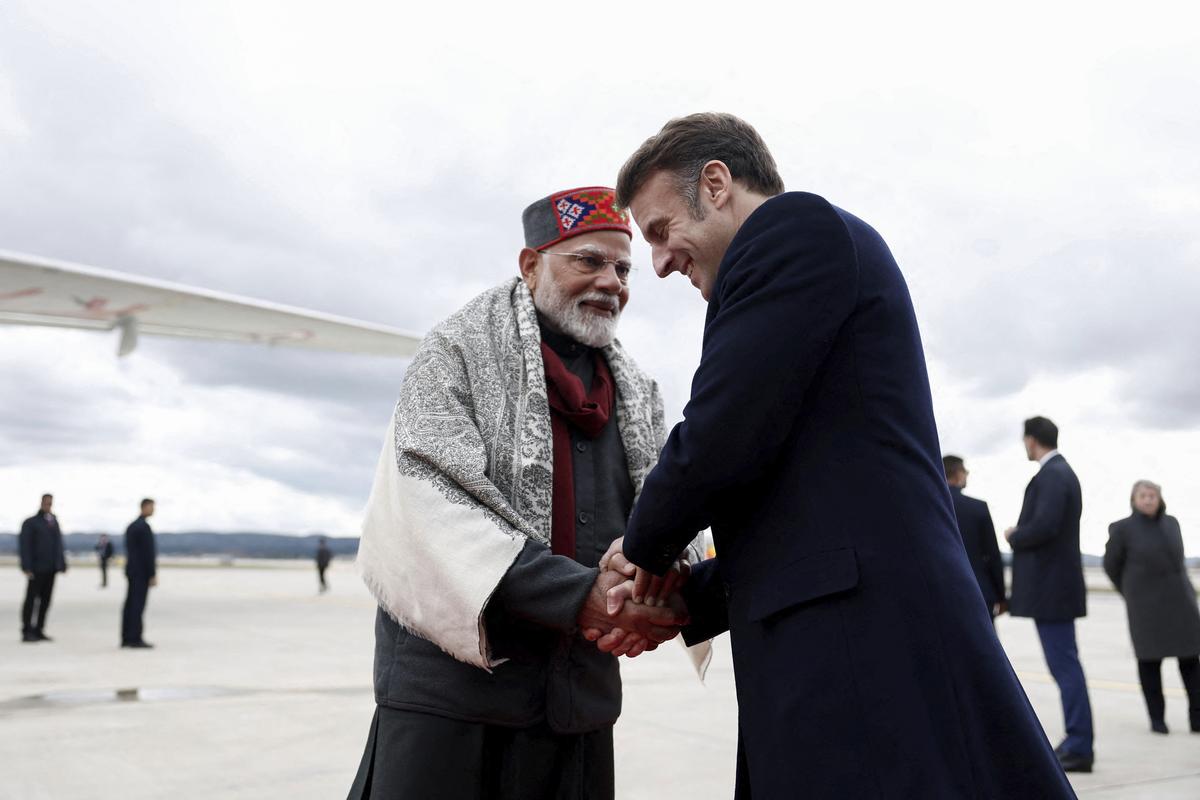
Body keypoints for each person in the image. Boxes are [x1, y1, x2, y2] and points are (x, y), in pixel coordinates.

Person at [600, 113, 1073, 798]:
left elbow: (722, 429)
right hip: (843, 643)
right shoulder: (783, 269)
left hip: (867, 647)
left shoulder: (795, 234)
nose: (661, 263)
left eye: (661, 231)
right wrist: (682, 600)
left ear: (716, 183)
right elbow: (801, 508)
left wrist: (642, 550)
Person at [349, 186, 704, 800]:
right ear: (530, 264)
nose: (611, 282)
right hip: (454, 704)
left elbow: (668, 513)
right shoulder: (453, 354)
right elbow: (432, 509)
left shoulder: (639, 392)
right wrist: (583, 598)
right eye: (588, 261)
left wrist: (658, 589)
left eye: (622, 268)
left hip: (577, 701)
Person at [1004, 416, 1094, 771]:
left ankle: (1079, 745)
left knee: (1066, 668)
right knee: (1066, 666)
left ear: (1031, 440)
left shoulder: (1054, 473)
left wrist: (1014, 535)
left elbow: (1045, 525)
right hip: (1056, 589)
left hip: (1053, 590)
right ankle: (1077, 741)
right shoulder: (1058, 472)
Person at [1103, 480, 1200, 734]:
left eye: (1153, 495)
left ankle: (1197, 718)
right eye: (1143, 495)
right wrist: (1131, 592)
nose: (1148, 499)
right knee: (1149, 662)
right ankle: (1157, 719)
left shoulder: (1172, 523)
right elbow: (1111, 566)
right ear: (1134, 500)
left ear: (1160, 499)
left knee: (1191, 661)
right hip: (1145, 607)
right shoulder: (1123, 528)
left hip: (1181, 603)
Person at [943, 455, 1006, 620]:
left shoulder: (926, 508)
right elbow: (993, 556)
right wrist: (1001, 595)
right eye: (965, 471)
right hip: (979, 591)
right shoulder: (978, 508)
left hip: (940, 593)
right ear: (957, 473)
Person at [19, 493, 67, 643]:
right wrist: (26, 566)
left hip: (51, 568)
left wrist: (61, 563)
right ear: (41, 503)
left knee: (46, 600)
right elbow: (25, 546)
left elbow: (59, 544)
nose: (48, 506)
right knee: (31, 600)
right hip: (36, 568)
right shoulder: (31, 523)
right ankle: (27, 630)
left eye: (50, 503)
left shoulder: (53, 522)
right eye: (46, 503)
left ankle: (39, 629)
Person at [121, 498, 157, 649]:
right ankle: (135, 637)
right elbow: (148, 553)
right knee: (137, 605)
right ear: (144, 507)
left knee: (130, 604)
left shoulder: (132, 526)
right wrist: (152, 573)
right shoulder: (143, 527)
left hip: (132, 570)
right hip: (141, 572)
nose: (153, 510)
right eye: (152, 507)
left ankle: (126, 637)